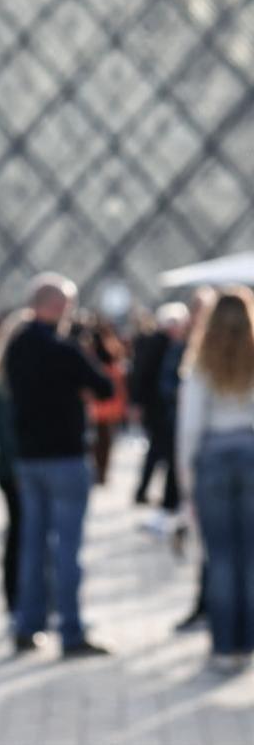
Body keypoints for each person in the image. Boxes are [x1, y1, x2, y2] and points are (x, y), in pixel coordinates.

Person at [6, 274, 114, 658]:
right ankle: (71, 630)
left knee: (33, 547)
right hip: (66, 458)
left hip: (30, 458)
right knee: (67, 549)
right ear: (56, 306)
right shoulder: (64, 350)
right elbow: (106, 386)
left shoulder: (16, 345)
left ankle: (27, 624)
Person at [176, 288, 254, 673]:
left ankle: (224, 644)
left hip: (214, 460)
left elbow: (190, 428)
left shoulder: (201, 365)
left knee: (220, 558)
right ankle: (248, 642)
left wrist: (185, 477)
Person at [0, 310, 32, 618]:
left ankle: (17, 597)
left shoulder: (1, 379)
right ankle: (17, 597)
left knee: (18, 532)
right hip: (16, 470)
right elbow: (7, 433)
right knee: (20, 533)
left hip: (11, 468)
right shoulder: (8, 384)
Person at [132, 303, 189, 511]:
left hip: (156, 407)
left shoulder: (159, 343)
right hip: (159, 408)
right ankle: (164, 497)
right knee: (163, 451)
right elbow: (143, 375)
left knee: (157, 452)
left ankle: (149, 492)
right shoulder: (160, 345)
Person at [89, 322, 128, 486]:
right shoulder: (102, 350)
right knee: (103, 441)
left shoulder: (100, 349)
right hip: (103, 404)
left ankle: (100, 472)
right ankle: (100, 472)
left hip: (103, 404)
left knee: (102, 440)